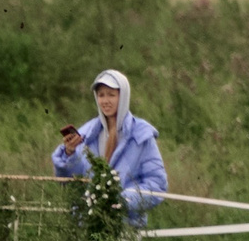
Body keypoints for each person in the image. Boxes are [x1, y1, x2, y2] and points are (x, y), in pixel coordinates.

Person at [53, 68, 168, 225]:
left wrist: (122, 201)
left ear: (123, 96)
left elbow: (157, 184)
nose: (105, 101)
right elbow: (71, 182)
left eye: (111, 94)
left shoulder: (141, 135)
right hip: (87, 224)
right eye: (101, 95)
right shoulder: (86, 134)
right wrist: (70, 154)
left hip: (125, 225)